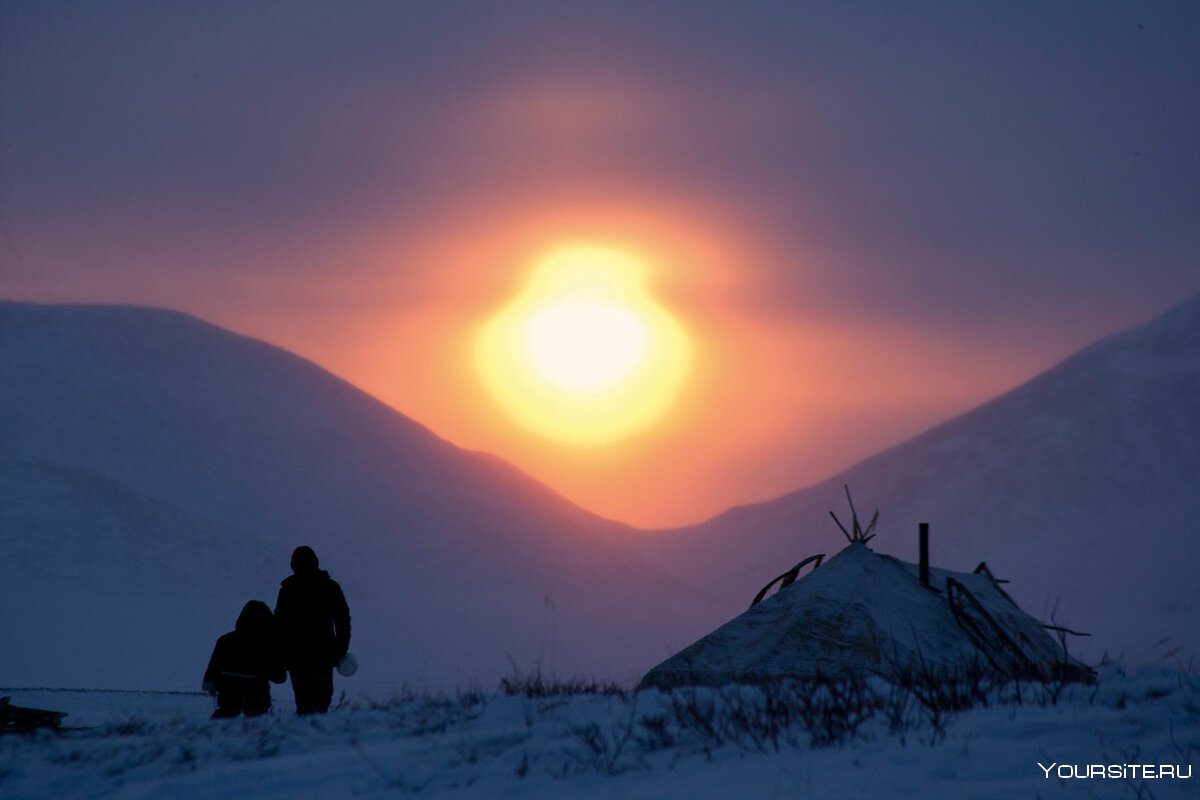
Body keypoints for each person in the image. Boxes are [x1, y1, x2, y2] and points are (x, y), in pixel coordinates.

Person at [274, 546, 351, 714]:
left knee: (304, 701)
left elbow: (279, 625)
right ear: (315, 562)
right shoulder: (330, 587)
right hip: (322, 655)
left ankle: (307, 734)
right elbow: (343, 619)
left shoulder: (288, 590)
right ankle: (316, 734)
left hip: (298, 656)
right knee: (321, 700)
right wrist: (341, 647)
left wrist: (281, 655)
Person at [202, 600, 285, 719]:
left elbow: (214, 667)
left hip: (228, 694)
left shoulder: (225, 640)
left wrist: (212, 684)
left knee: (223, 719)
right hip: (257, 696)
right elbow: (279, 677)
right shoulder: (268, 644)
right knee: (257, 726)